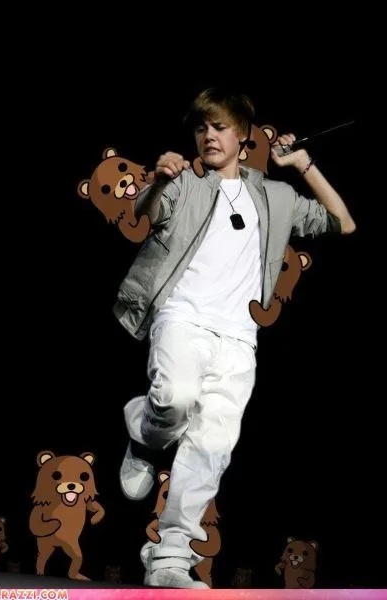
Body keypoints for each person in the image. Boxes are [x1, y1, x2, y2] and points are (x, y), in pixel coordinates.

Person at [112, 87, 356, 588]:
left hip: (238, 338)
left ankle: (170, 558)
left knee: (212, 446)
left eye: (220, 127)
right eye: (202, 128)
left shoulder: (276, 197)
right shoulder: (185, 181)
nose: (209, 136)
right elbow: (143, 212)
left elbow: (343, 223)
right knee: (175, 398)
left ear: (243, 135)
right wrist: (158, 181)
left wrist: (303, 165)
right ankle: (145, 431)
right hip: (182, 318)